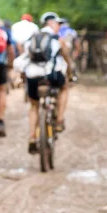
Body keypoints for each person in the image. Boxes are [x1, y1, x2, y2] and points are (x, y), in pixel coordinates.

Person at [15, 12, 72, 152]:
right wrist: (70, 74)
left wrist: (23, 77)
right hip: (52, 75)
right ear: (51, 24)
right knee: (64, 88)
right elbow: (66, 58)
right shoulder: (57, 39)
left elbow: (25, 59)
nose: (59, 27)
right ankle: (59, 120)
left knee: (34, 106)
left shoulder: (33, 38)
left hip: (33, 77)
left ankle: (33, 137)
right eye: (58, 24)